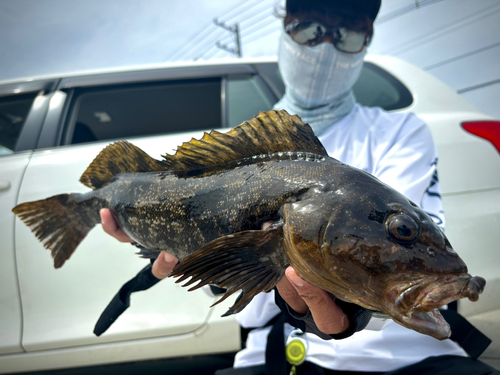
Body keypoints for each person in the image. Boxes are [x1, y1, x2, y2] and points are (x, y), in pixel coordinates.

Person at [100, 0, 498, 374]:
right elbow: (250, 312)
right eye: (309, 29)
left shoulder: (401, 132)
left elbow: (386, 266)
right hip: (275, 355)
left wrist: (353, 313)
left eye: (348, 35)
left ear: (368, 39)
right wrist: (186, 254)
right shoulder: (239, 160)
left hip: (407, 358)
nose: (326, 46)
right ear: (285, 27)